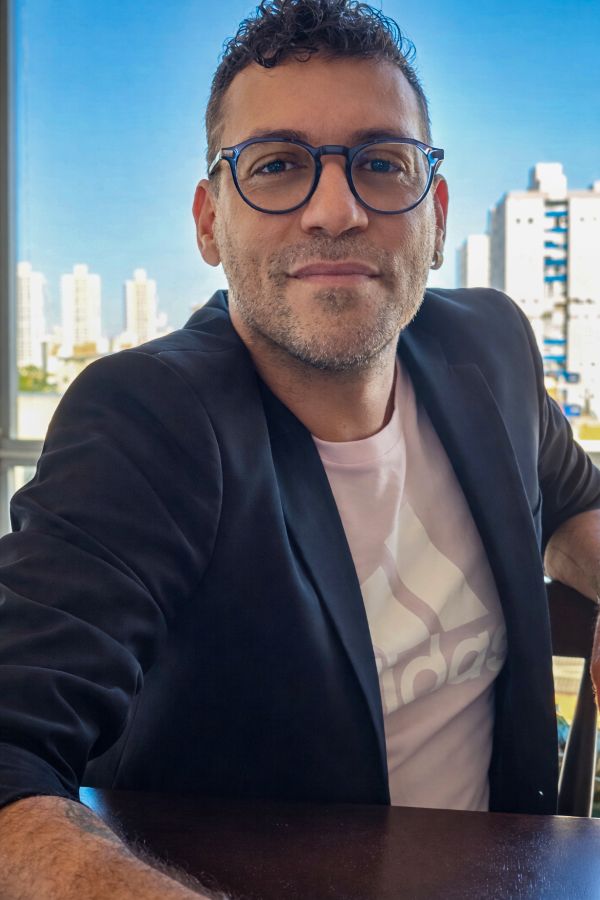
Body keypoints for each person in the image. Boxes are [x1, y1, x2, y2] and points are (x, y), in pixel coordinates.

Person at [2, 1, 600, 898]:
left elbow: (574, 504)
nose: (335, 210)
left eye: (381, 163)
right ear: (209, 222)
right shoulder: (145, 419)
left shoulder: (490, 350)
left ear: (435, 215)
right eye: (277, 165)